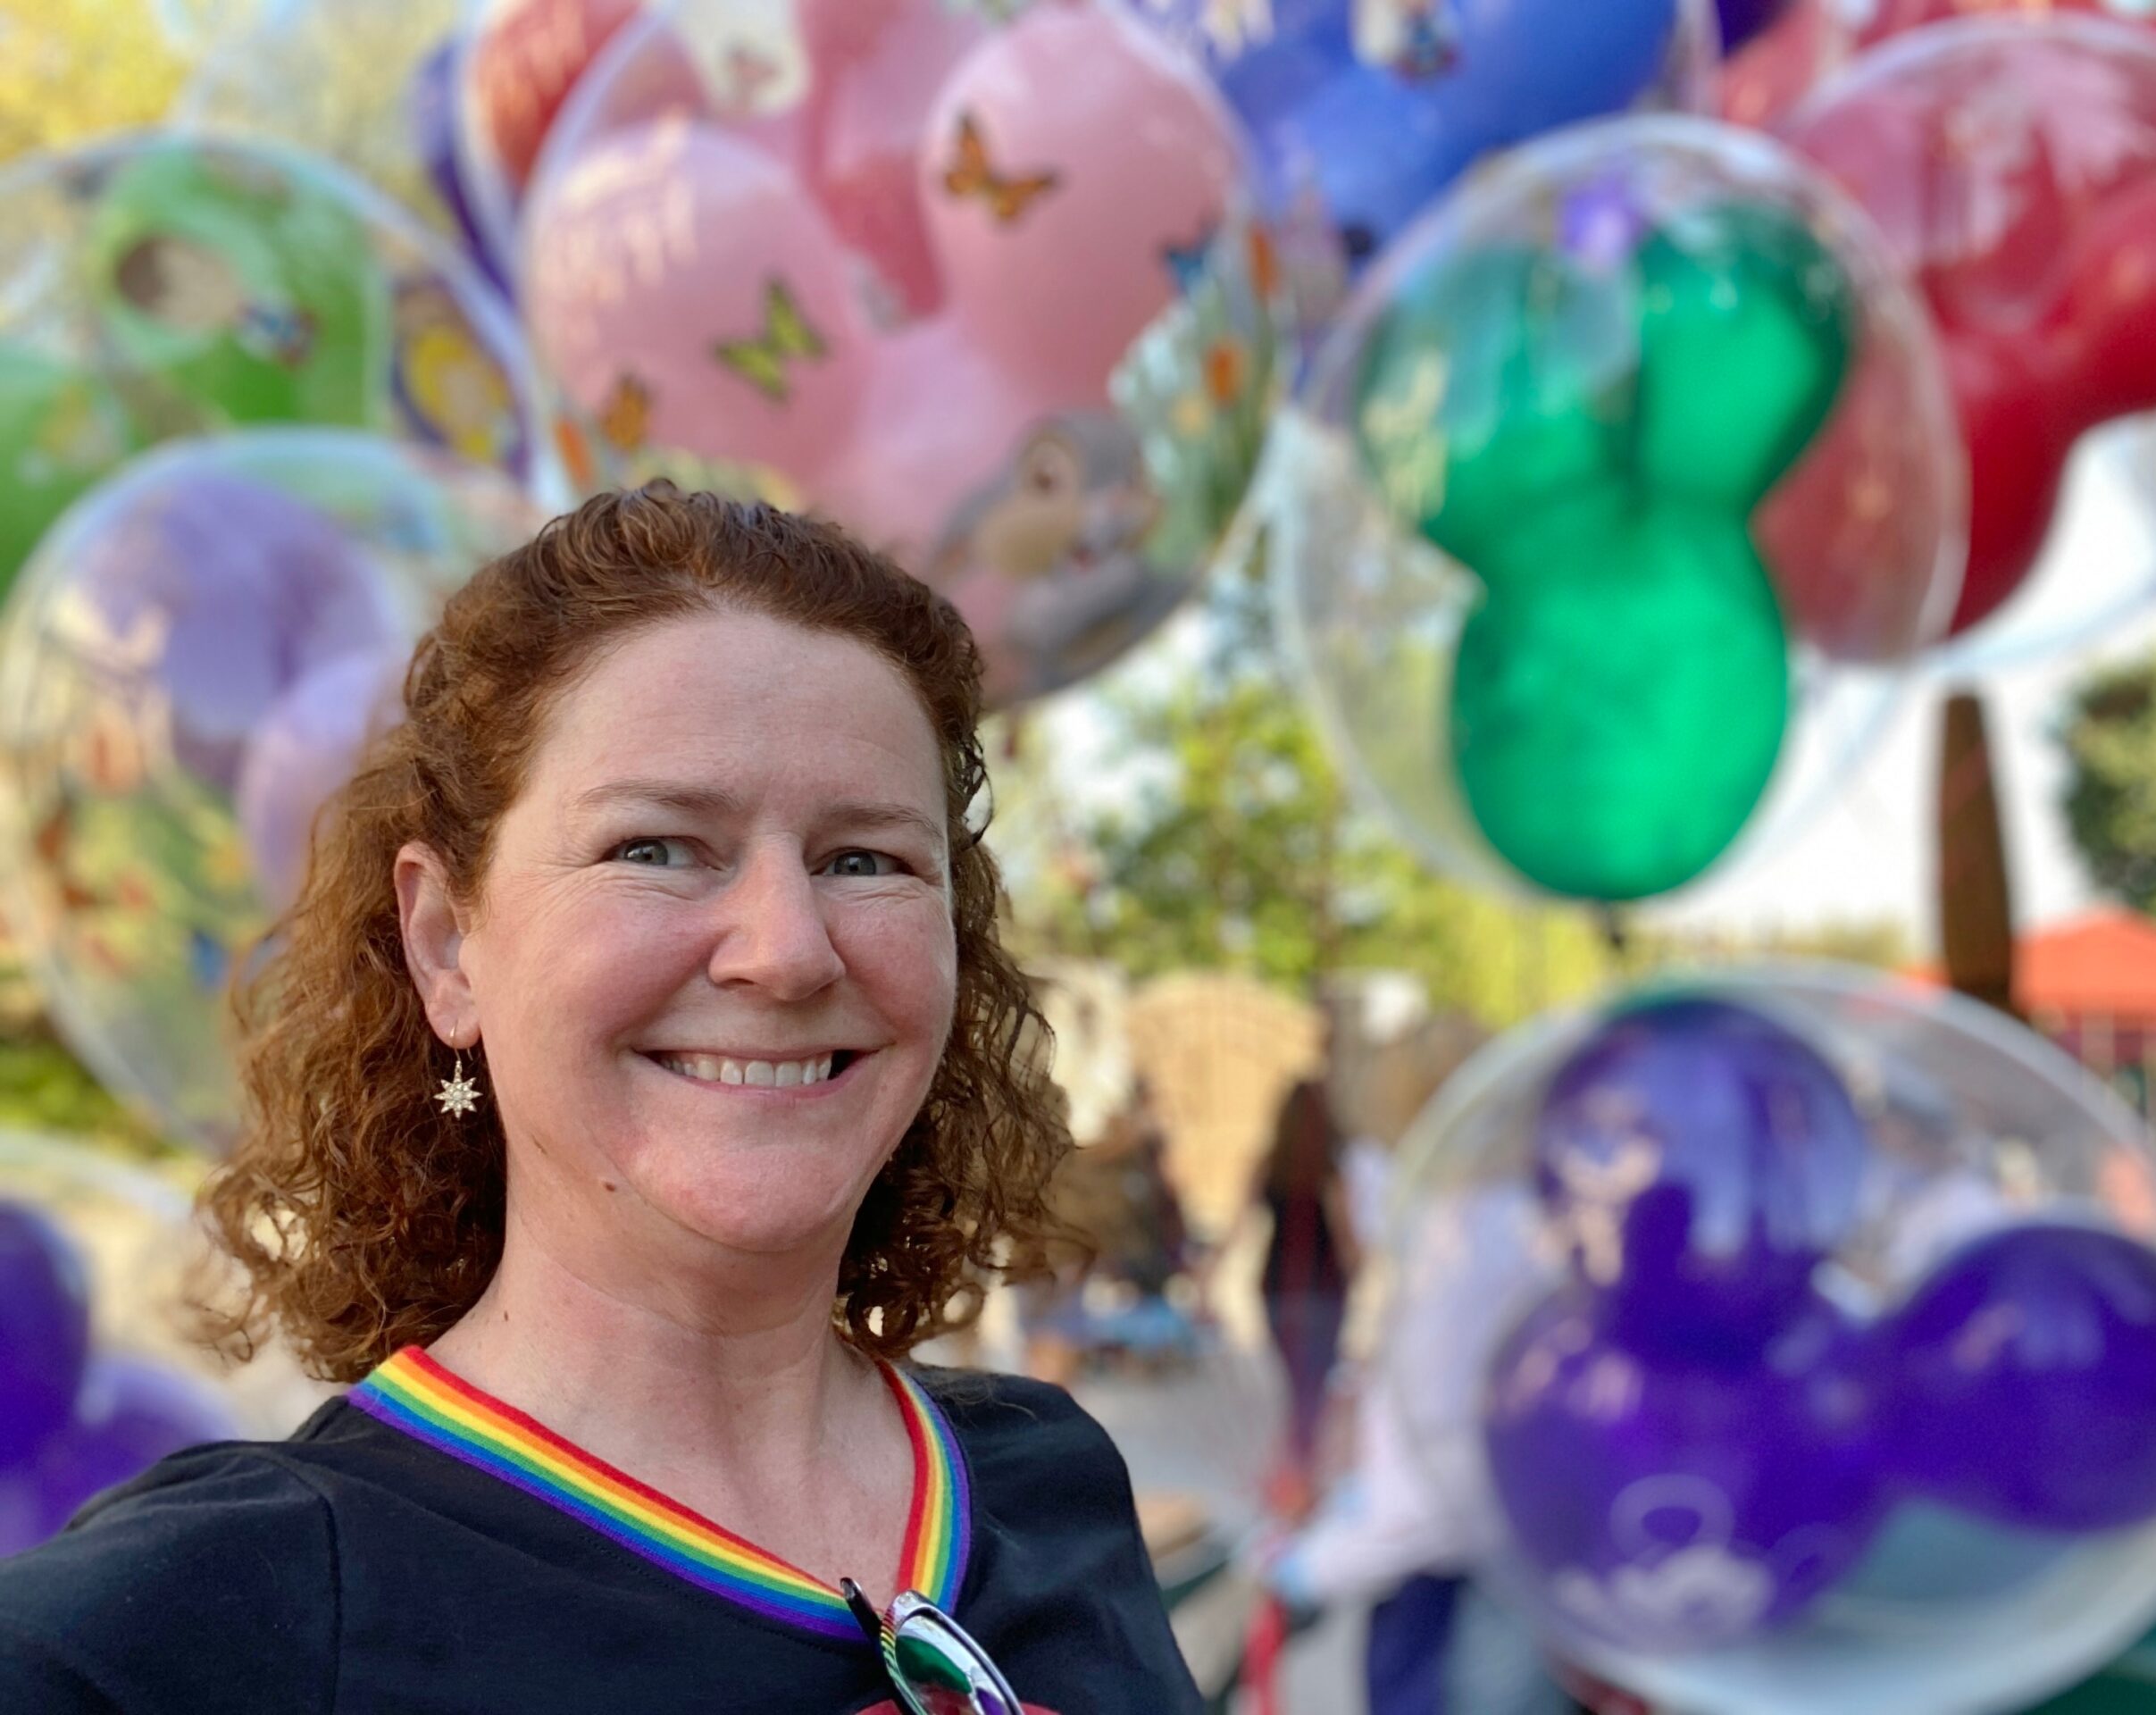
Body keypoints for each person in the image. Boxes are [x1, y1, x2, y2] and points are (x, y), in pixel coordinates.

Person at [0, 489, 1202, 1715]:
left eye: (866, 860)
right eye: (657, 847)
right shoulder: (193, 1638)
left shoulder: (1047, 1480)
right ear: (446, 944)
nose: (786, 951)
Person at [1252, 1074, 1359, 1493]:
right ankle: (1298, 1482)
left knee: (1298, 1388)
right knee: (1312, 1390)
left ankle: (1294, 1478)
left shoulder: (1269, 1164)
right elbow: (1348, 1239)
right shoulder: (1330, 1169)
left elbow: (1240, 1227)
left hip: (1276, 1290)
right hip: (1324, 1292)